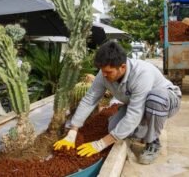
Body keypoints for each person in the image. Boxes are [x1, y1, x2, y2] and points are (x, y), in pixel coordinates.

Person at [53, 41, 181, 165]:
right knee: (113, 128)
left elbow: (134, 113)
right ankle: (145, 130)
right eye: (102, 71)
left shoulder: (141, 74)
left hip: (166, 101)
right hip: (138, 104)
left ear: (122, 67)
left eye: (108, 72)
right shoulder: (103, 74)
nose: (104, 75)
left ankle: (153, 141)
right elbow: (89, 99)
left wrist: (100, 144)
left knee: (155, 99)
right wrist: (73, 130)